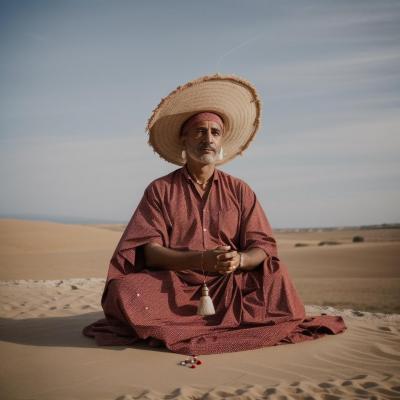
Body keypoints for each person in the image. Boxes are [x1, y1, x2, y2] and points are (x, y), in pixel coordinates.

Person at [82, 74, 346, 355]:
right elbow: (149, 252)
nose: (207, 139)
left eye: (214, 132)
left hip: (229, 284)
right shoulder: (160, 190)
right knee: (126, 291)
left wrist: (240, 260)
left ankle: (188, 327)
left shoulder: (240, 190)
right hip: (176, 287)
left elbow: (263, 247)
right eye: (199, 131)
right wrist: (201, 259)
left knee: (276, 276)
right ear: (184, 138)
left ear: (221, 142)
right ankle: (203, 326)